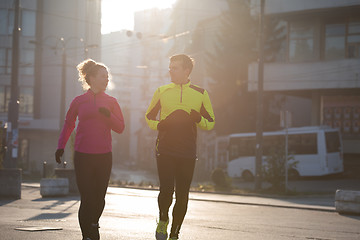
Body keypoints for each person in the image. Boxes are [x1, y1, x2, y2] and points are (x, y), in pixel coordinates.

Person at [145, 54, 215, 240]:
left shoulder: (200, 93)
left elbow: (210, 122)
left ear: (186, 71)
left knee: (183, 194)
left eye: (174, 67)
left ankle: (175, 232)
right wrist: (159, 125)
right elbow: (149, 116)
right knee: (166, 190)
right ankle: (162, 221)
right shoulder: (162, 91)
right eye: (170, 67)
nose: (170, 70)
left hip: (187, 152)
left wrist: (197, 118)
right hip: (165, 149)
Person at [55, 59, 125, 240]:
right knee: (86, 198)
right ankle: (87, 234)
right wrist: (60, 146)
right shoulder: (79, 101)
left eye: (108, 77)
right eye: (103, 76)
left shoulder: (111, 101)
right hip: (83, 155)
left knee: (99, 197)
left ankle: (93, 224)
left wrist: (108, 116)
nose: (106, 80)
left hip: (104, 156)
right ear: (91, 78)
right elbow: (69, 124)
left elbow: (120, 127)